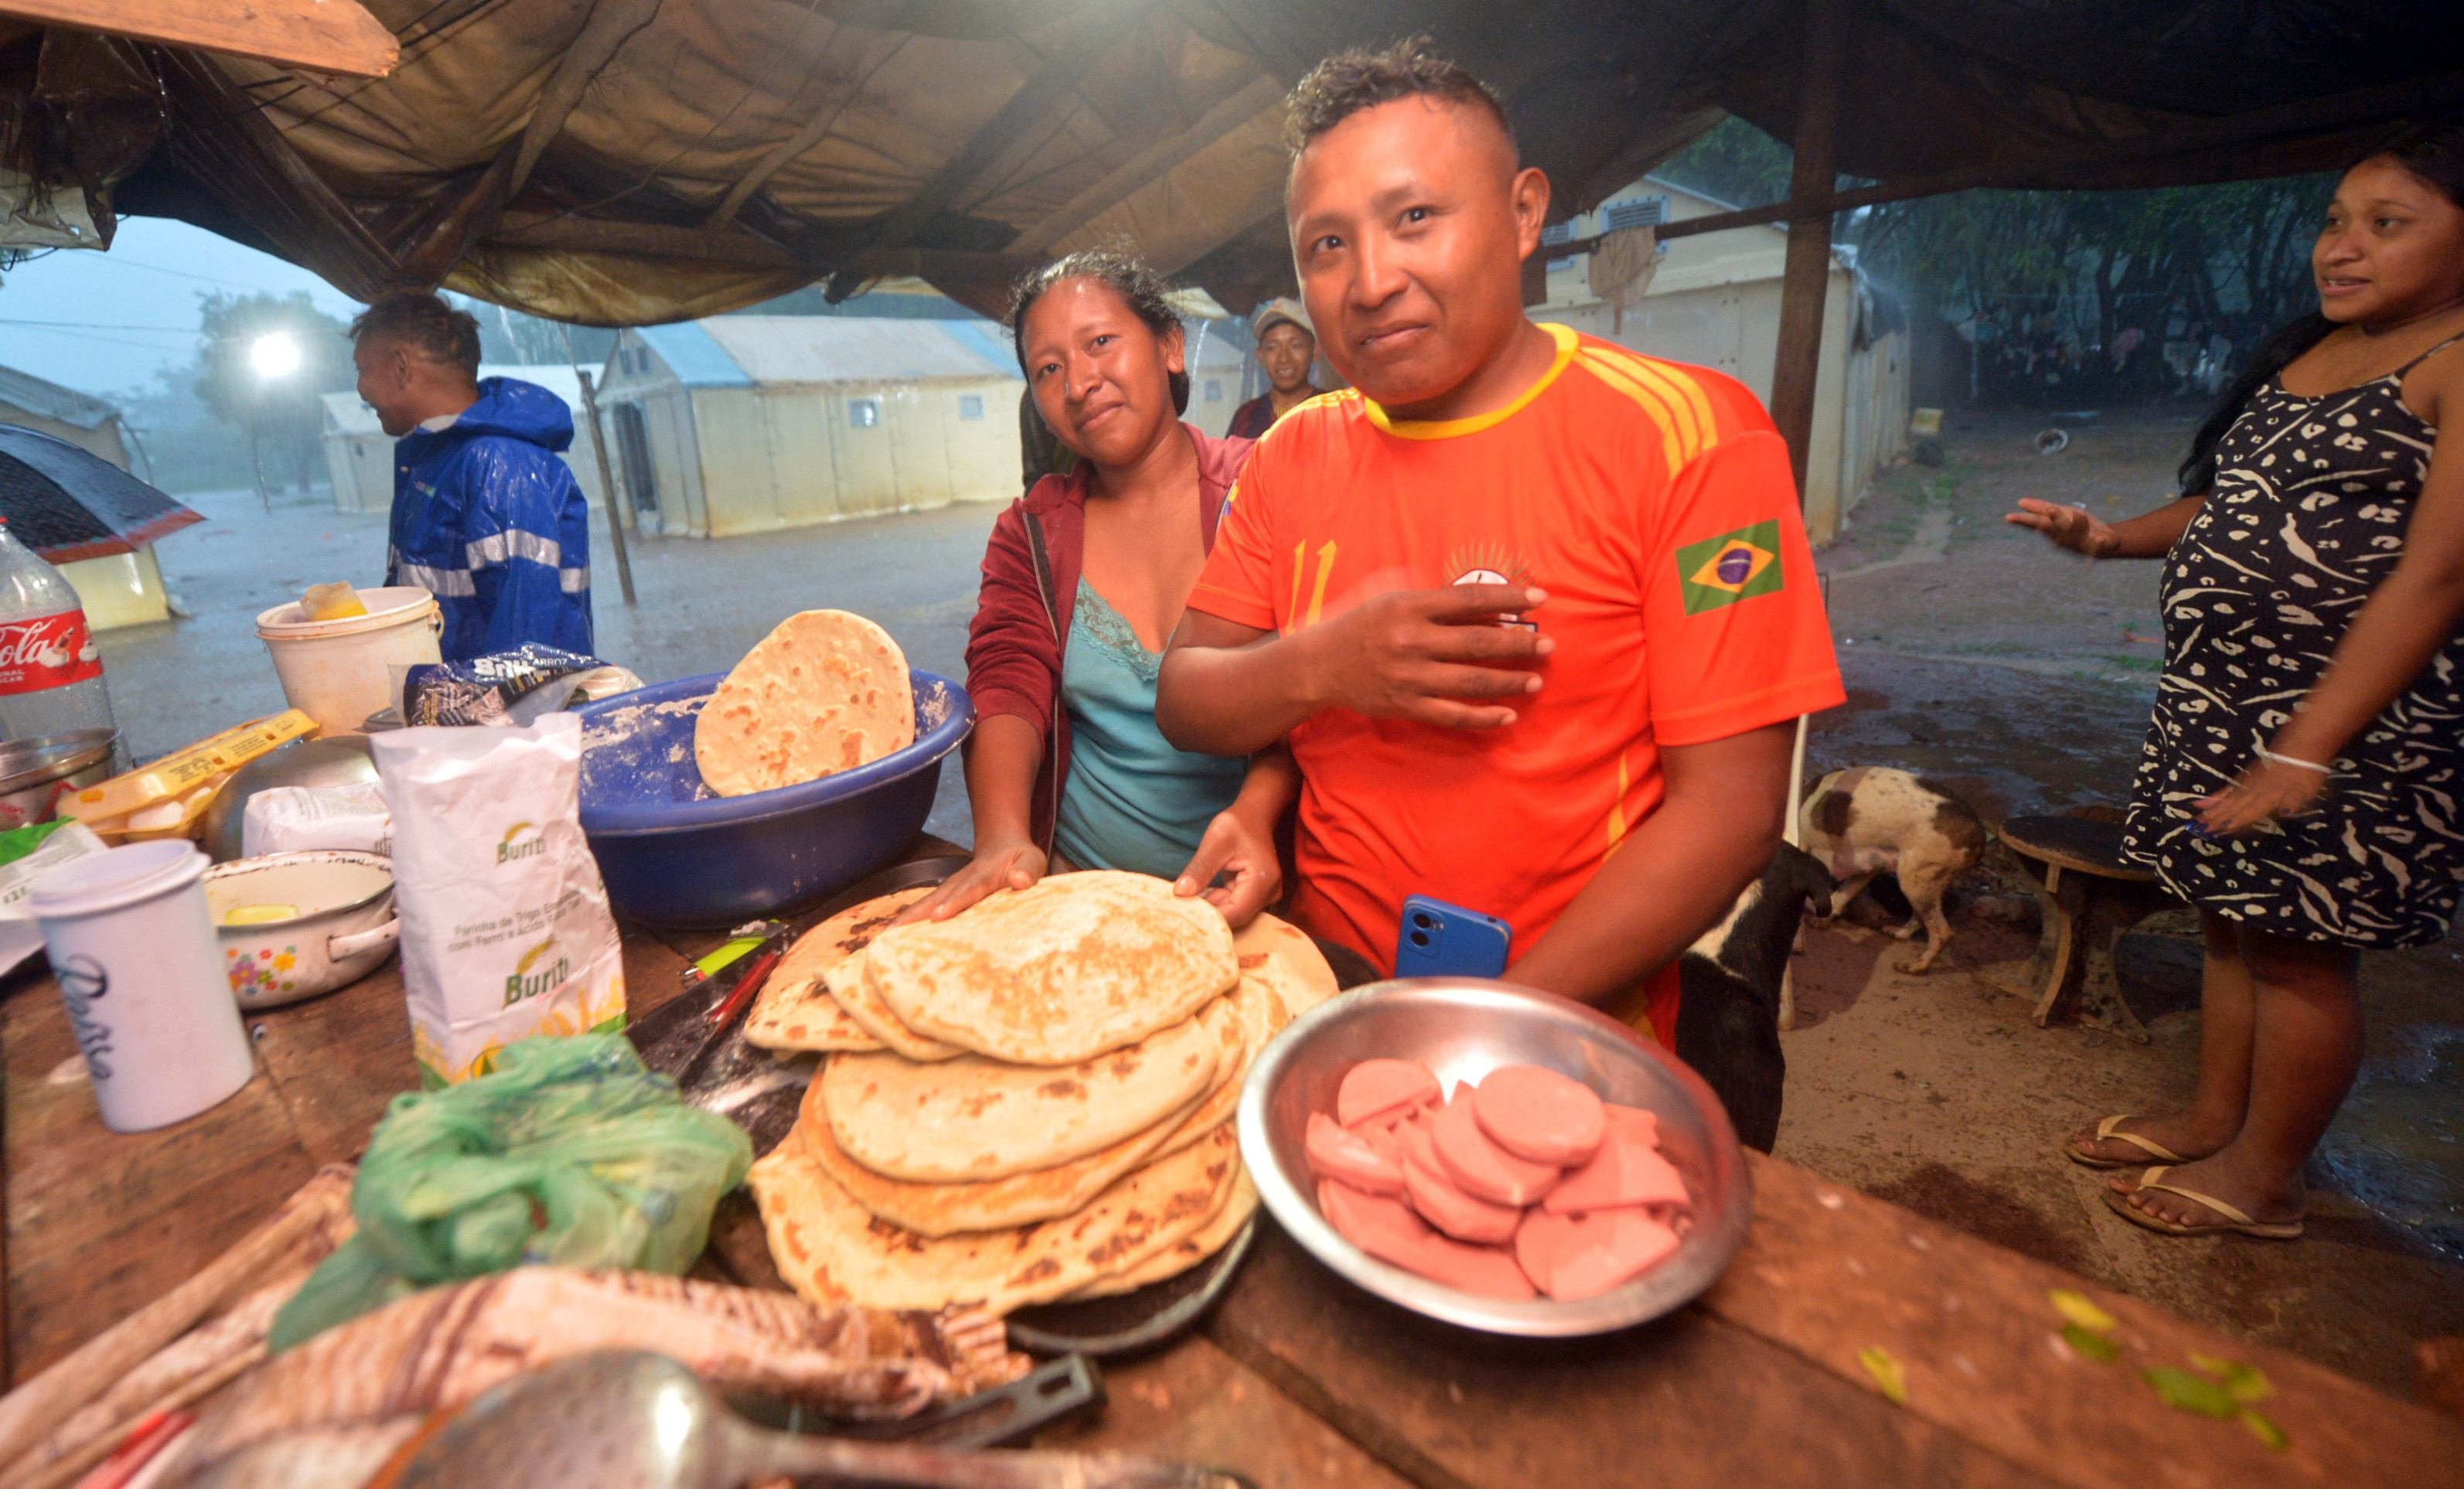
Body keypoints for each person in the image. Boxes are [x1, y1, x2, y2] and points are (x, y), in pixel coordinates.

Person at [1154, 39, 1843, 1048]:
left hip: (1566, 1015)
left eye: (1413, 217)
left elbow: (1730, 812)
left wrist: (1489, 1024)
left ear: (1524, 212)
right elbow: (1185, 695)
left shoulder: (1689, 436)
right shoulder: (1290, 454)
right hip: (1319, 987)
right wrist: (1327, 664)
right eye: (1326, 245)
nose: (1370, 280)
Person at [2009, 127, 2464, 1241]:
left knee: (2301, 945)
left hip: (2353, 721)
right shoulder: (2314, 352)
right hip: (2220, 698)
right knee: (2226, 916)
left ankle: (2267, 1176)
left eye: (2384, 223)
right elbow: (2226, 503)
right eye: (2333, 220)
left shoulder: (2452, 357)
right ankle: (2214, 1116)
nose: (2340, 247)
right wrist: (2108, 537)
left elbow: (2437, 569)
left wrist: (2305, 745)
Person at [908, 250, 1293, 928]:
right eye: (1048, 369)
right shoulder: (1032, 532)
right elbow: (1007, 675)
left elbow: (1311, 689)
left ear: (1169, 346)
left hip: (1250, 898)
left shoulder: (1264, 488)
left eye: (1100, 343)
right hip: (1082, 899)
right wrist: (1002, 837)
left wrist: (1257, 811)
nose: (1080, 382)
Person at [349, 294, 593, 662]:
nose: (361, 388)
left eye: (363, 369)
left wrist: (483, 717)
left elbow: (524, 654)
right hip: (451, 705)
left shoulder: (498, 462)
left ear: (400, 366)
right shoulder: (437, 460)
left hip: (497, 714)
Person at [1227, 298, 1322, 439]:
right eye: (1272, 348)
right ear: (1260, 356)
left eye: (1295, 345)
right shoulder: (1247, 416)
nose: (1284, 358)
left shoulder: (1333, 411)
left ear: (1315, 352)